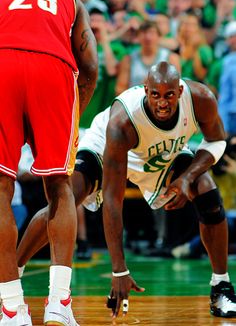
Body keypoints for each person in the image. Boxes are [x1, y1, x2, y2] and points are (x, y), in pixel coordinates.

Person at [17, 62, 236, 321]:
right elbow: (112, 200)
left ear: (180, 91)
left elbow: (217, 140)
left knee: (207, 191)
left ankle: (221, 286)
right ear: (146, 91)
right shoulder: (121, 122)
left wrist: (187, 179)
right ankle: (11, 273)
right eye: (155, 95)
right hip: (106, 146)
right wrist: (119, 270)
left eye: (169, 95)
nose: (163, 102)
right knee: (65, 199)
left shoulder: (200, 98)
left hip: (160, 153)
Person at [0, 0, 98, 325]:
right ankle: (59, 302)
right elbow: (91, 67)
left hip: (3, 64)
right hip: (53, 71)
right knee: (59, 185)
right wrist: (71, 119)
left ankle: (11, 307)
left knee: (0, 188)